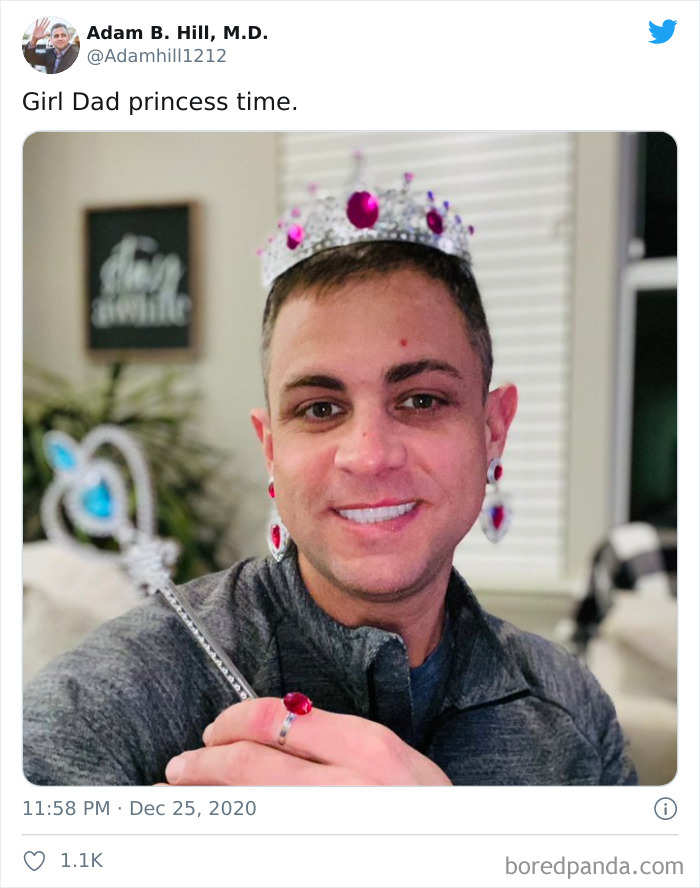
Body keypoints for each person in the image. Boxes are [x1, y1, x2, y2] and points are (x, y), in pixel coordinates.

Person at [23, 166, 637, 786]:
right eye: (320, 409)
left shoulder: (572, 716)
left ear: (492, 429)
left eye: (421, 400)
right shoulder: (97, 713)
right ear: (271, 447)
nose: (369, 457)